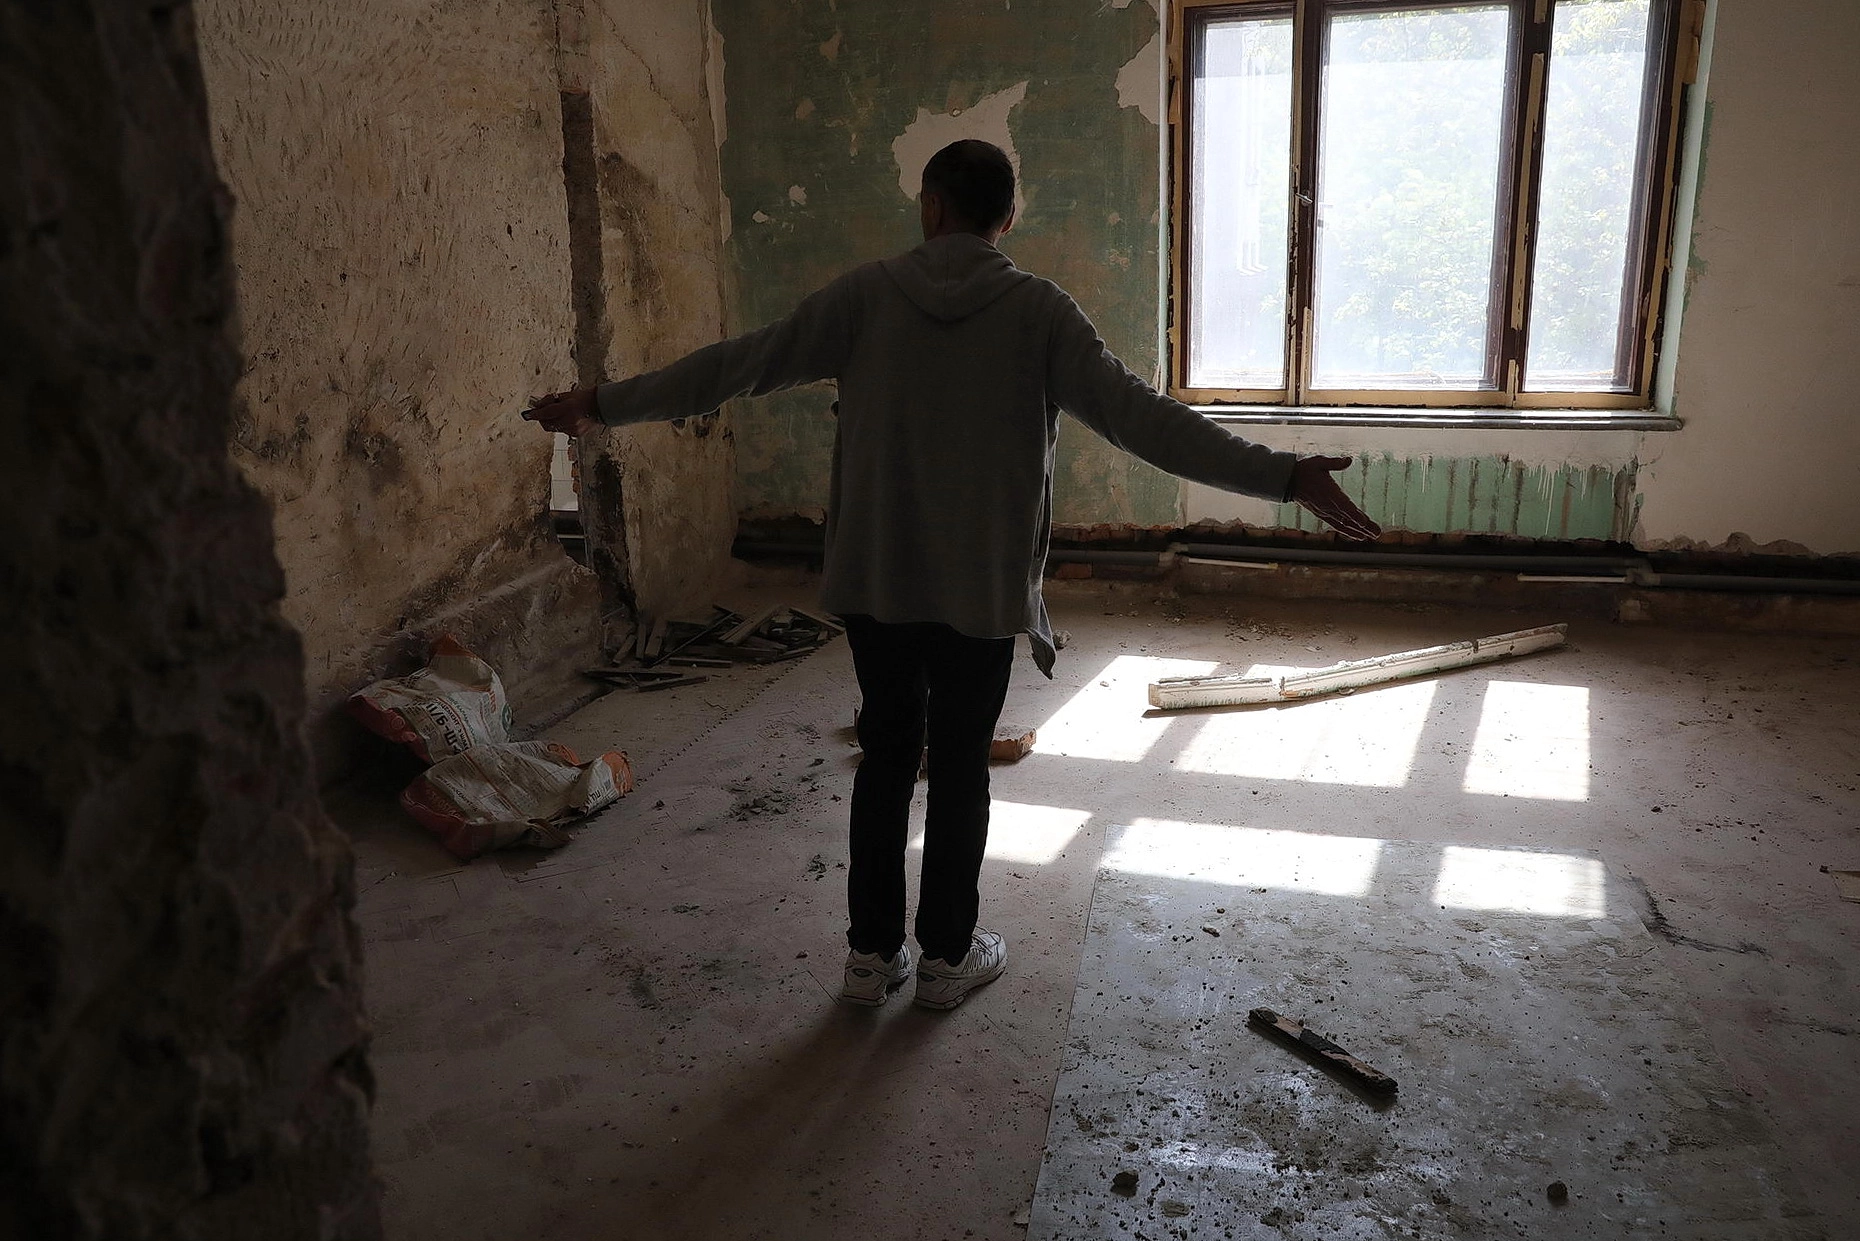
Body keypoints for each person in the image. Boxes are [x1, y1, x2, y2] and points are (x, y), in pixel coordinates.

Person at [524, 139, 1380, 1012]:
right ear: (1008, 218)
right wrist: (1281, 474)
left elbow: (736, 365)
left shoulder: (863, 297)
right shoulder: (1041, 312)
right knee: (962, 761)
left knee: (888, 753)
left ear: (931, 205)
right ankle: (945, 958)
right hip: (979, 590)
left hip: (877, 583)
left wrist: (605, 401)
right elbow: (1144, 421)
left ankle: (868, 957)